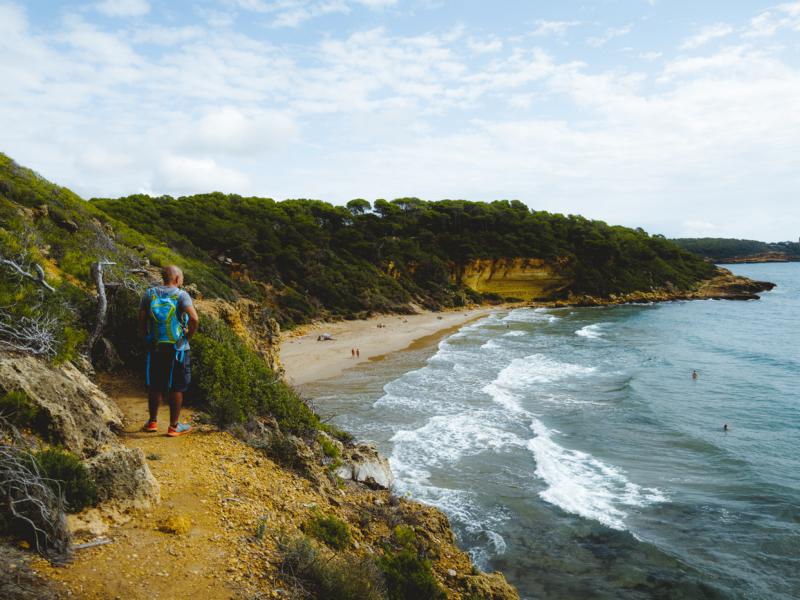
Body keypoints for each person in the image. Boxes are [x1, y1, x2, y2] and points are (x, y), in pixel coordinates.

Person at [138, 265, 199, 437]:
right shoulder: (181, 295)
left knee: (155, 385)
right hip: (177, 348)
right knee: (177, 386)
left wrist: (147, 339)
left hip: (156, 346)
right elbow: (194, 319)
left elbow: (141, 321)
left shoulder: (149, 294)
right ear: (177, 279)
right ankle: (173, 426)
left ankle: (152, 422)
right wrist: (188, 337)